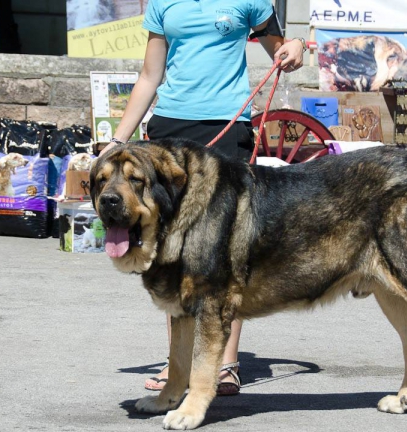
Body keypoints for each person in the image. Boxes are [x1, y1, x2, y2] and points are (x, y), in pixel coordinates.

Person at [99, 0, 305, 396]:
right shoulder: (162, 3)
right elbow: (149, 76)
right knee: (170, 250)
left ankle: (226, 364)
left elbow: (282, 50)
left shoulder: (251, 2)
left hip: (227, 125)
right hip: (170, 128)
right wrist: (117, 141)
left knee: (224, 251)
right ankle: (178, 365)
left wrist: (296, 45)